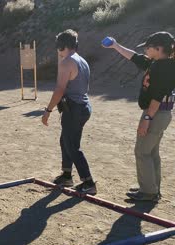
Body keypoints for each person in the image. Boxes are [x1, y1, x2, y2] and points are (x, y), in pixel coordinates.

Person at [102, 31, 175, 202]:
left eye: (148, 48)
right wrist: (115, 45)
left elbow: (157, 97)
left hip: (155, 113)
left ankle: (148, 192)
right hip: (159, 113)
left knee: (142, 152)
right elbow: (135, 57)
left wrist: (147, 119)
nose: (146, 51)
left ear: (158, 49)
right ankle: (152, 187)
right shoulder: (160, 63)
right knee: (151, 152)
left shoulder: (164, 67)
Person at [42, 29, 97, 195]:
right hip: (82, 107)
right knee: (65, 140)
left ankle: (88, 182)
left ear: (62, 46)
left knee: (72, 146)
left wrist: (48, 110)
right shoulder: (81, 60)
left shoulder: (67, 63)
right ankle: (67, 175)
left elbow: (59, 89)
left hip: (74, 109)